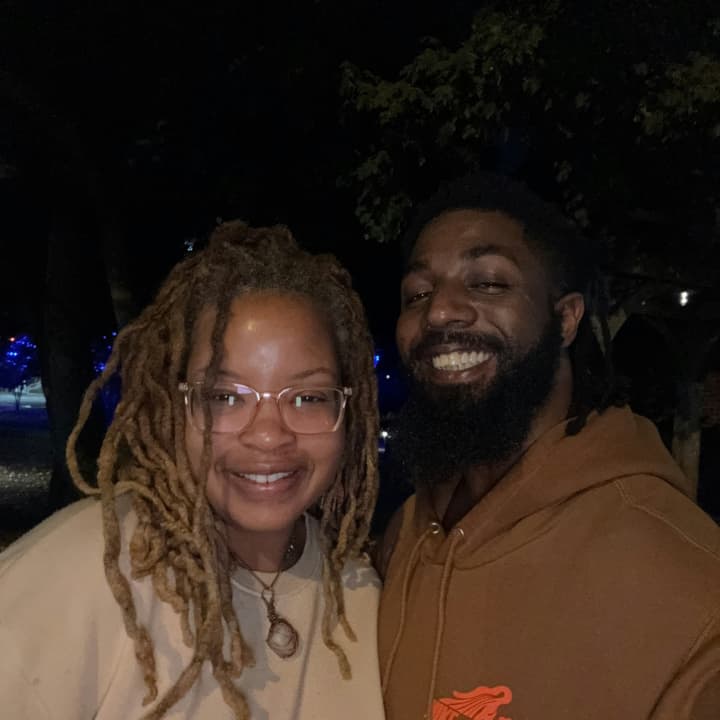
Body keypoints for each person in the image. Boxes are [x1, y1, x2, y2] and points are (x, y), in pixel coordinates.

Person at [0, 222, 385, 720]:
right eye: (225, 396)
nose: (269, 435)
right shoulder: (78, 576)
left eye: (308, 397)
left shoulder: (363, 593)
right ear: (172, 406)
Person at [377, 173, 720, 720]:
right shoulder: (406, 536)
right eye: (417, 294)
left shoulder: (688, 585)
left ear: (565, 319)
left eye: (489, 283)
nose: (439, 311)